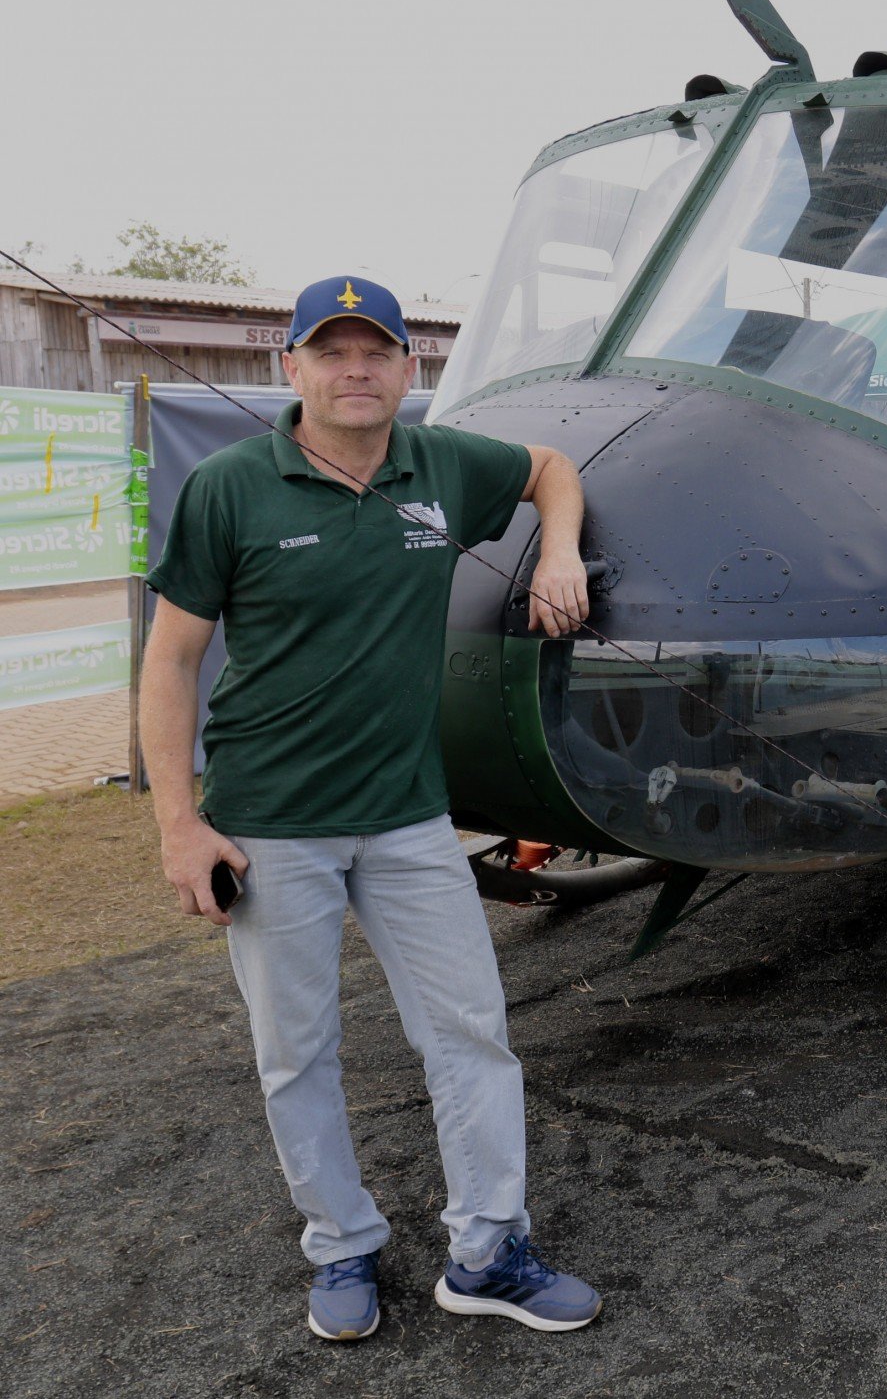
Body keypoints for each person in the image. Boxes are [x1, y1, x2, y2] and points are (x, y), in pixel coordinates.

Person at [138, 275, 600, 1340]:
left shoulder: (441, 463)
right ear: (288, 366)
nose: (356, 371)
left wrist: (561, 551)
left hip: (406, 817)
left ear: (407, 368)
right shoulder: (227, 486)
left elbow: (549, 468)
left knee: (473, 1032)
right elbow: (170, 660)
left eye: (376, 352)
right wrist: (178, 822)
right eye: (331, 352)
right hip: (268, 823)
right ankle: (340, 1246)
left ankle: (488, 1252)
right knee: (297, 1052)